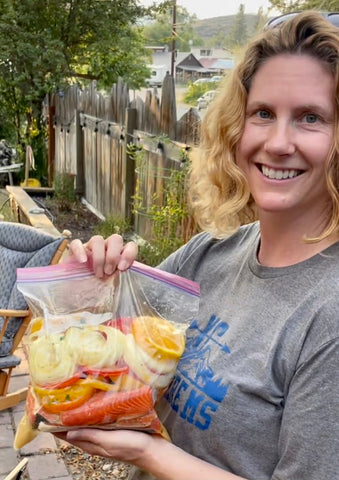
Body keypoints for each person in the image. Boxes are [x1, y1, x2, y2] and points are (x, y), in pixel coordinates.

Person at [62, 11, 339, 480]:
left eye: (311, 118)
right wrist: (94, 281)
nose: (277, 142)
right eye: (263, 113)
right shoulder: (214, 252)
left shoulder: (327, 314)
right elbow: (114, 345)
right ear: (237, 126)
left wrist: (147, 454)